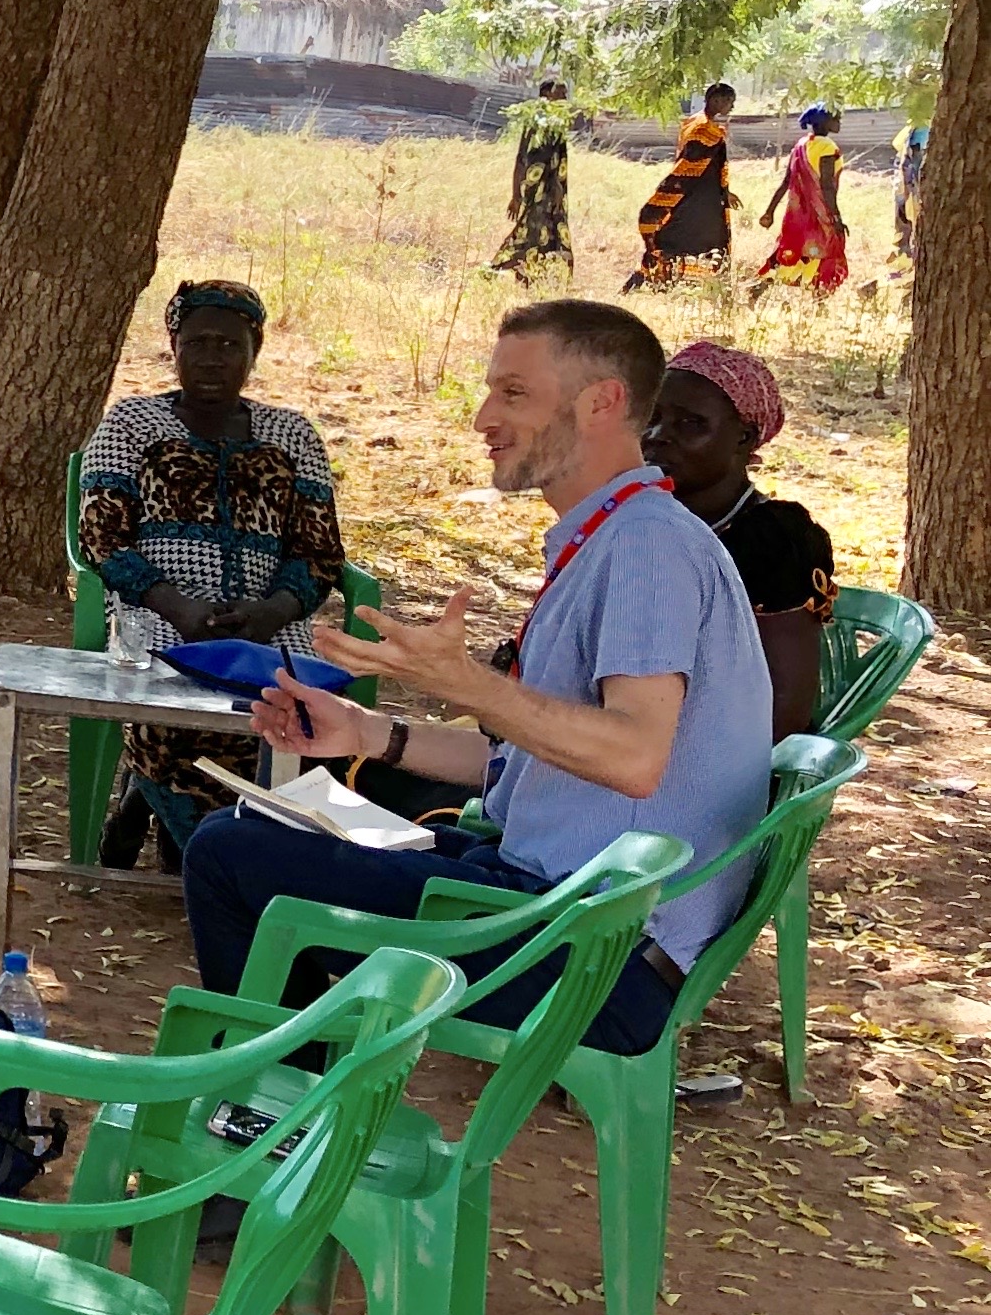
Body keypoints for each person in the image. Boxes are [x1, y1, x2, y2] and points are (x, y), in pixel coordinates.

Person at [184, 298, 773, 1058]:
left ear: (601, 403)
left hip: (592, 955)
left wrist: (465, 685)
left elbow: (632, 756)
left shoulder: (644, 550)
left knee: (227, 856)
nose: (482, 418)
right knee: (271, 827)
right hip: (562, 910)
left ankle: (267, 1124)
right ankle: (291, 1110)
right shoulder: (616, 533)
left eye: (514, 394)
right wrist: (368, 733)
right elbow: (534, 758)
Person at [75, 278, 349, 865]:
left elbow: (320, 553)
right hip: (159, 616)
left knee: (287, 712)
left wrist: (270, 611)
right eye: (196, 343)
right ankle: (190, 836)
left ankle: (213, 838)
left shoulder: (293, 435)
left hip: (269, 623)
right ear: (173, 345)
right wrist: (178, 607)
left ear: (256, 351)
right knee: (173, 702)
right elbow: (101, 538)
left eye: (229, 346)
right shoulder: (130, 426)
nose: (210, 359)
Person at [648, 340, 834, 741]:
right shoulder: (640, 517)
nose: (658, 436)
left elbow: (785, 708)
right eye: (652, 416)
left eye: (691, 424)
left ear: (744, 439)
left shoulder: (773, 541)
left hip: (720, 769)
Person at [631, 81, 738, 291]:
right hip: (698, 199)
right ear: (716, 101)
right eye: (729, 102)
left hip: (697, 196)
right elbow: (689, 165)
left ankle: (668, 282)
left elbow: (708, 166)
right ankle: (651, 281)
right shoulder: (704, 130)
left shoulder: (694, 122)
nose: (731, 107)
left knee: (680, 240)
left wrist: (726, 192)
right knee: (702, 243)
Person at [758, 102, 850, 296]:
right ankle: (820, 298)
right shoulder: (827, 148)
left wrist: (770, 211)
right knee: (826, 252)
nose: (840, 122)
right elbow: (827, 186)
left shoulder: (801, 145)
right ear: (825, 122)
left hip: (796, 216)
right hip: (819, 216)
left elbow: (785, 183)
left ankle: (761, 287)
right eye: (836, 118)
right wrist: (835, 217)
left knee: (793, 251)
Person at [493, 78, 573, 280]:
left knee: (547, 233)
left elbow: (558, 163)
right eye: (560, 93)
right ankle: (502, 267)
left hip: (552, 192)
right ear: (546, 95)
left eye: (565, 94)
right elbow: (521, 159)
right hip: (537, 190)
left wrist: (558, 190)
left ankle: (535, 276)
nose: (565, 98)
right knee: (531, 232)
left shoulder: (559, 124)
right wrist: (515, 195)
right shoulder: (535, 123)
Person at [897, 114, 932, 263]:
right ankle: (907, 247)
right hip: (913, 161)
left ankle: (908, 245)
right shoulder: (921, 121)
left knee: (912, 204)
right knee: (911, 204)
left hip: (914, 158)